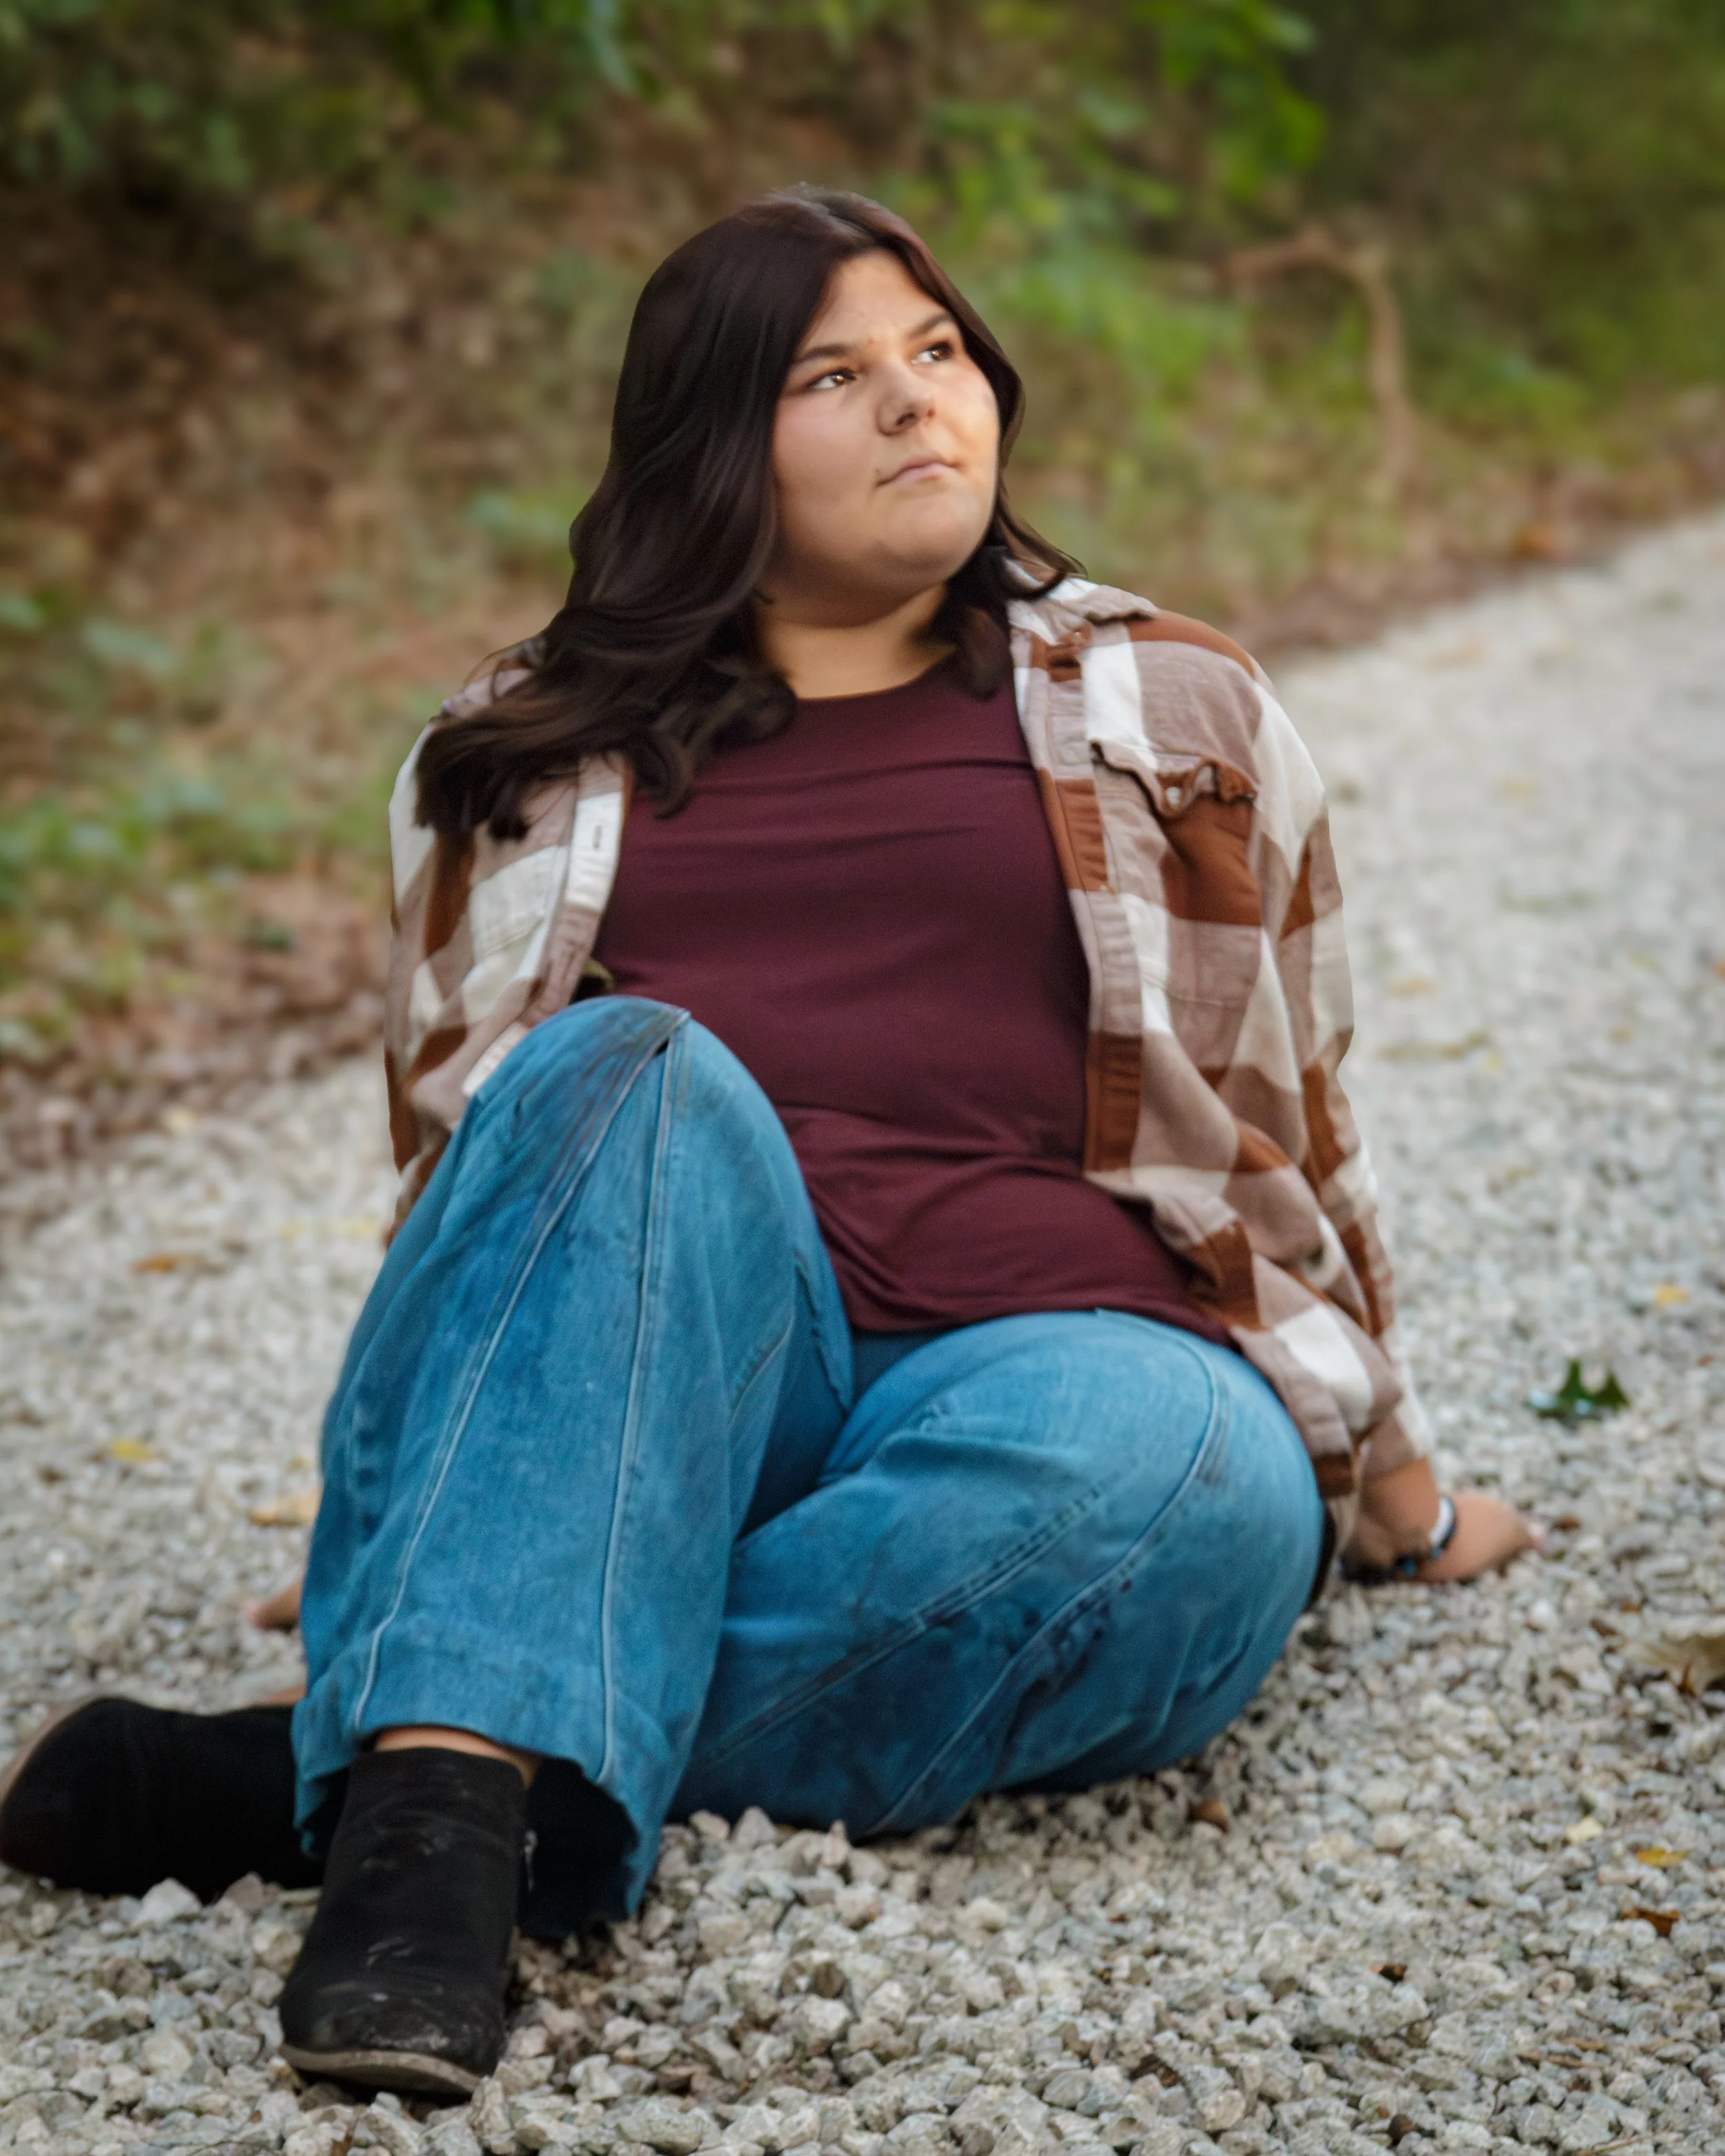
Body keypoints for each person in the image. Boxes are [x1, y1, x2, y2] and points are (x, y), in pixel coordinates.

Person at [0, 188, 1535, 2099]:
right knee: (623, 1064)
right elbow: (479, 1188)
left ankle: (403, 1758)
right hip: (708, 1383)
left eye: (938, 352)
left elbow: (1291, 1126)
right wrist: (414, 1504)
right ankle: (448, 1778)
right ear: (714, 439)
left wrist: (1389, 1484)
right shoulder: (517, 752)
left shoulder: (1173, 707)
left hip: (1064, 1362)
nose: (917, 405)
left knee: (1190, 1492)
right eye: (835, 373)